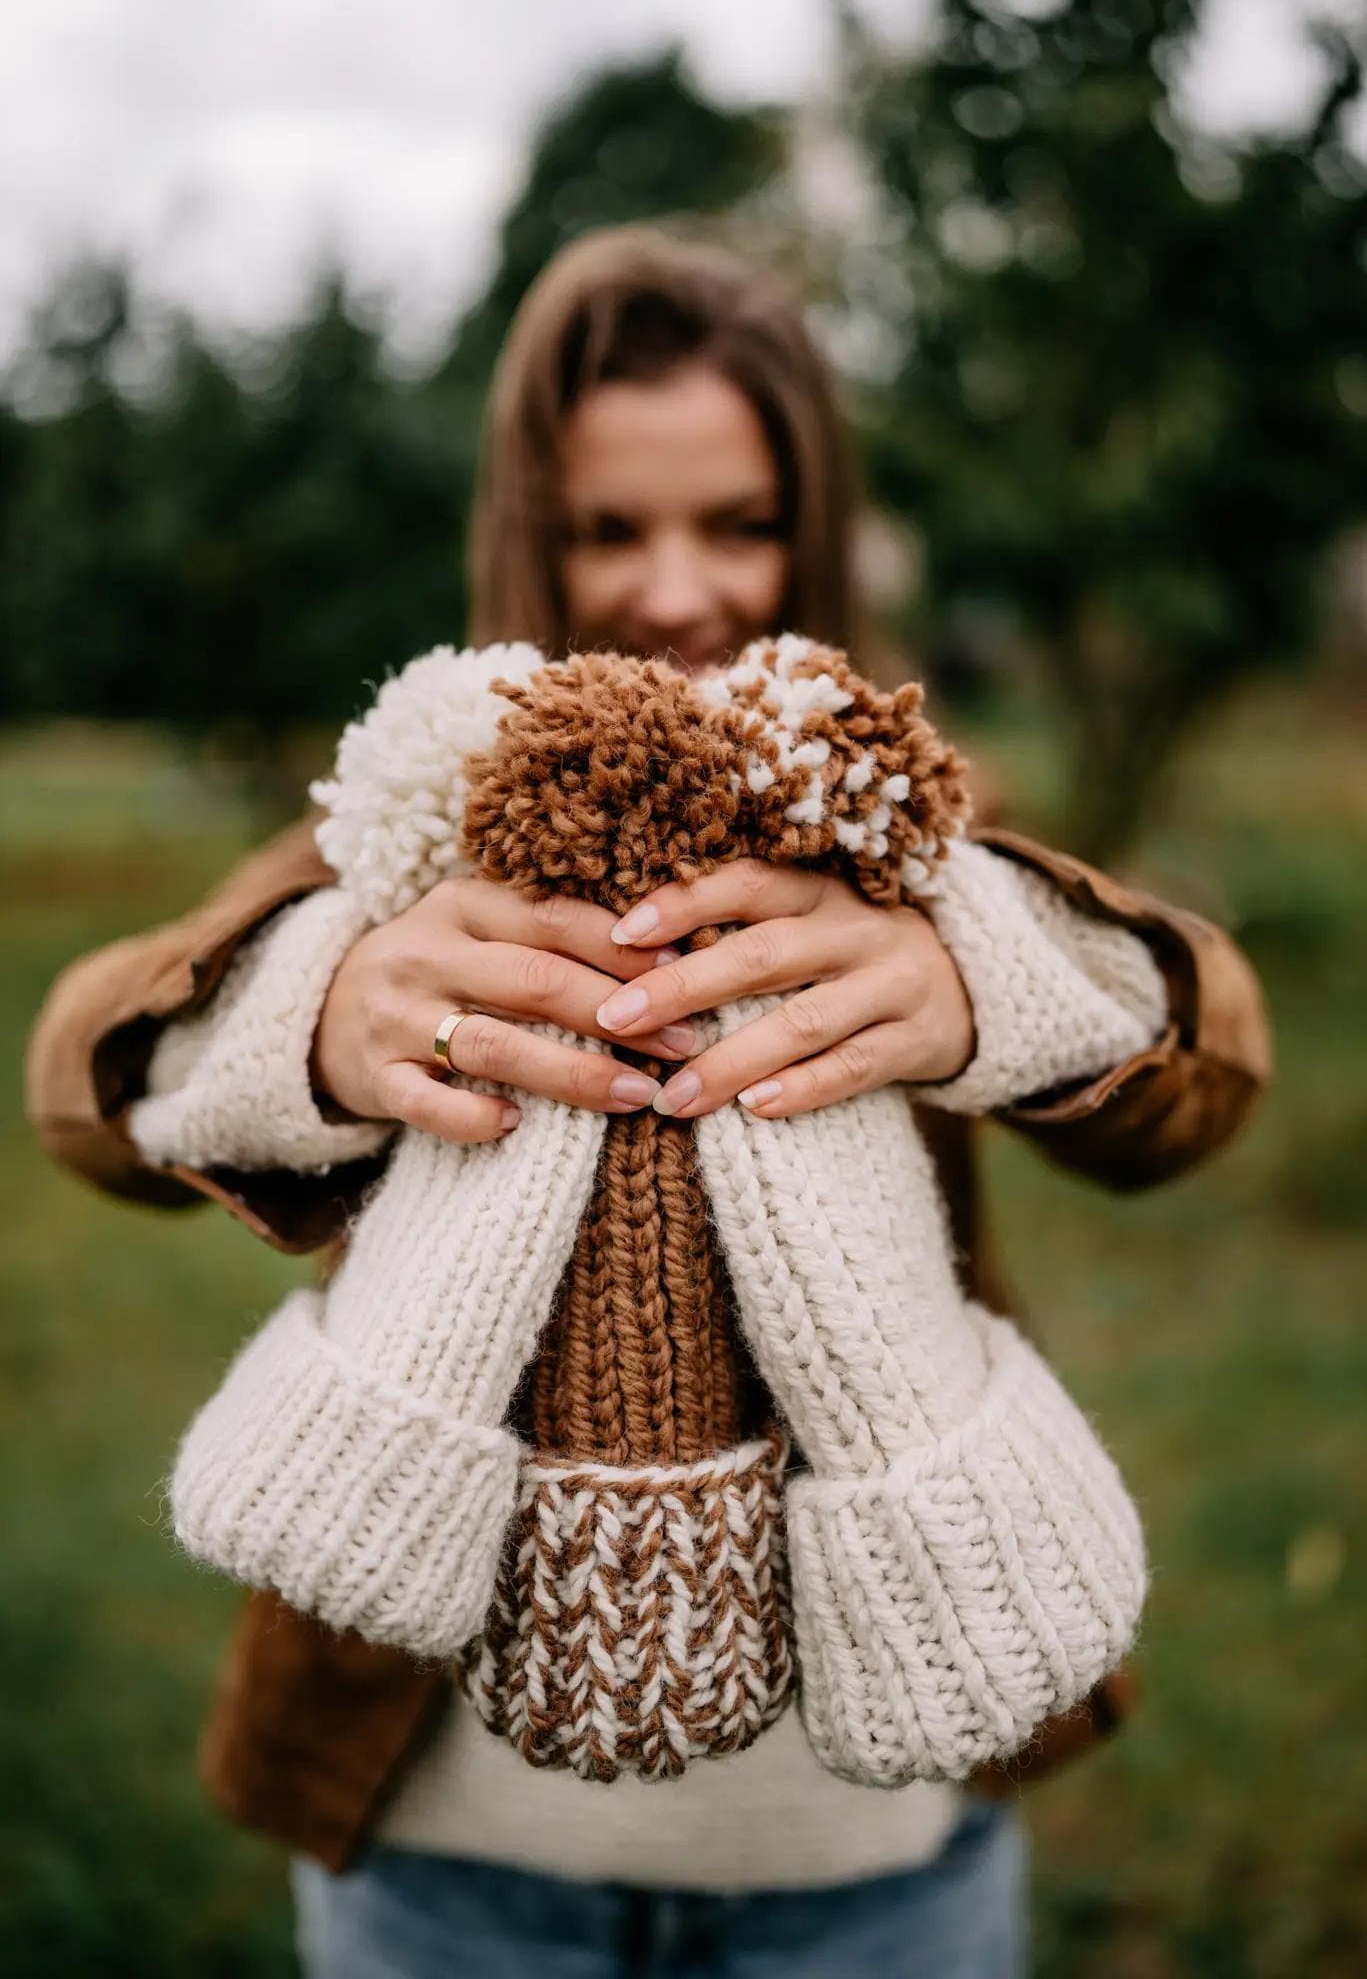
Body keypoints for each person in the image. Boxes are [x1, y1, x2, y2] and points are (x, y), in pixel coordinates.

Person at [25, 225, 1271, 1979]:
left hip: (878, 1856)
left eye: (740, 522)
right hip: (442, 1852)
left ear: (816, 526)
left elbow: (1211, 1063)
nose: (678, 590)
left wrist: (983, 970)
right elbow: (84, 1075)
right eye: (610, 528)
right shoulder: (414, 836)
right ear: (524, 527)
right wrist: (310, 1011)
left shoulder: (893, 844)